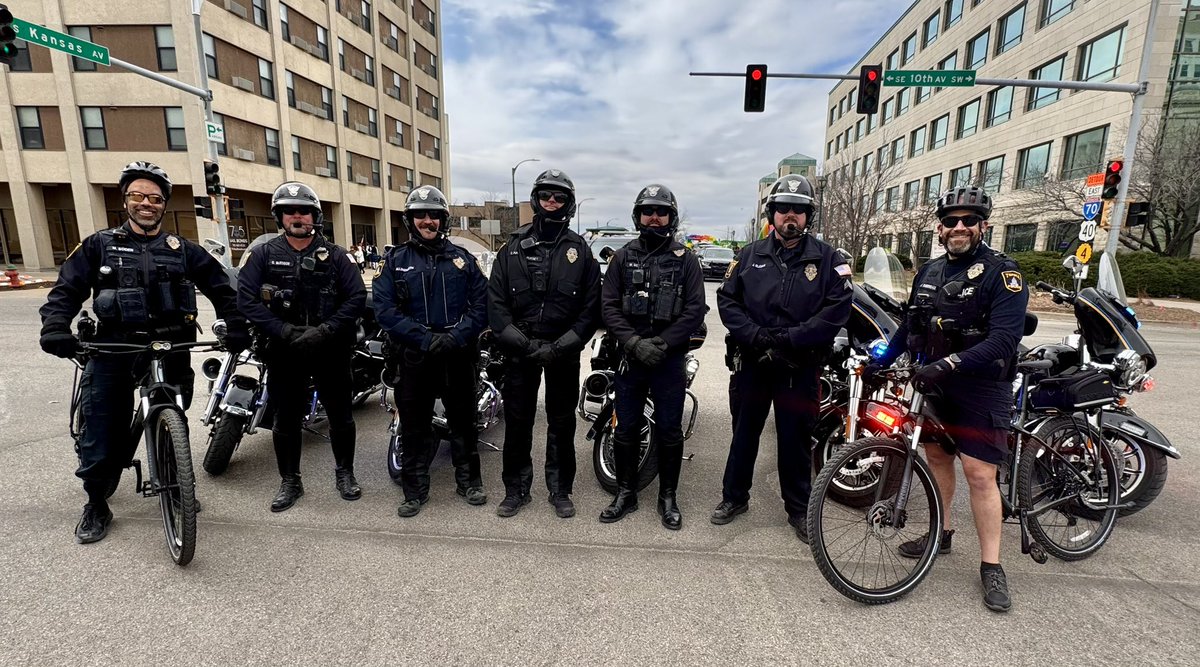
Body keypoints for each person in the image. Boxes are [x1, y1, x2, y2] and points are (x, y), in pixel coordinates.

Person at [38, 161, 249, 544]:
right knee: (103, 429)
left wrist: (235, 325)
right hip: (114, 346)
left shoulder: (184, 250)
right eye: (138, 196)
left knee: (175, 416)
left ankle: (177, 481)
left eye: (154, 198)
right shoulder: (99, 245)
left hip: (171, 346)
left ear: (164, 205)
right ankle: (96, 502)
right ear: (126, 201)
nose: (146, 204)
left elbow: (223, 290)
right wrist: (55, 326)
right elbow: (66, 290)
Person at [865, 186, 1027, 612]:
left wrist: (952, 364)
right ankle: (942, 534)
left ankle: (992, 565)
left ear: (982, 226)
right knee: (937, 460)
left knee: (978, 473)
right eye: (952, 220)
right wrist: (881, 357)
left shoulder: (1002, 273)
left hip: (980, 387)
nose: (959, 227)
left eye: (968, 220)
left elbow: (1006, 340)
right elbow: (909, 326)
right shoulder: (930, 272)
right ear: (940, 227)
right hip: (933, 383)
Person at [712, 174, 852, 542]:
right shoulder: (748, 256)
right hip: (754, 362)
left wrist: (789, 339)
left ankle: (798, 509)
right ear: (771, 214)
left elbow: (836, 310)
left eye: (799, 210)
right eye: (783, 209)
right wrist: (757, 337)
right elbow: (727, 301)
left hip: (798, 366)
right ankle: (734, 498)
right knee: (744, 435)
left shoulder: (828, 259)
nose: (791, 216)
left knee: (794, 440)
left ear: (809, 216)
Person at [237, 181, 367, 512]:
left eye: (304, 211)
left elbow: (355, 298)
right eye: (290, 211)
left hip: (330, 349)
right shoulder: (263, 255)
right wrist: (281, 330)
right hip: (285, 350)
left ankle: (345, 473)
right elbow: (246, 300)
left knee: (340, 416)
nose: (298, 216)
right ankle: (290, 481)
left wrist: (327, 330)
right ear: (279, 216)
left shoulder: (338, 256)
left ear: (315, 216)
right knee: (286, 419)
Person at [488, 168, 601, 518]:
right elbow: (495, 304)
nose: (552, 202)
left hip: (562, 351)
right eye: (545, 196)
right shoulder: (512, 248)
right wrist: (522, 344)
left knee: (562, 422)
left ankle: (560, 488)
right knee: (518, 422)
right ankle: (516, 489)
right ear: (536, 200)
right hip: (520, 350)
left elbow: (590, 309)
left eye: (559, 197)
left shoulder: (580, 251)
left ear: (568, 203)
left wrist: (562, 346)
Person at [373, 186, 489, 517]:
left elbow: (482, 306)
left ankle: (469, 482)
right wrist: (423, 338)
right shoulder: (395, 261)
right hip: (414, 356)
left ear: (443, 220)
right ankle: (414, 491)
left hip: (456, 353)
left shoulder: (463, 261)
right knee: (413, 426)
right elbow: (385, 310)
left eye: (434, 215)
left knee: (464, 422)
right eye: (421, 215)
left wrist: (456, 337)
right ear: (410, 220)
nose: (428, 221)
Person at [599, 184, 706, 529]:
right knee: (626, 428)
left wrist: (661, 343)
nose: (654, 217)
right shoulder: (622, 257)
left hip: (668, 360)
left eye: (661, 212)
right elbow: (609, 306)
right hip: (630, 359)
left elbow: (694, 311)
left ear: (671, 218)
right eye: (648, 211)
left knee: (670, 432)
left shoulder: (686, 259)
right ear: (638, 216)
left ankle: (667, 497)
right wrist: (632, 343)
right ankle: (626, 492)